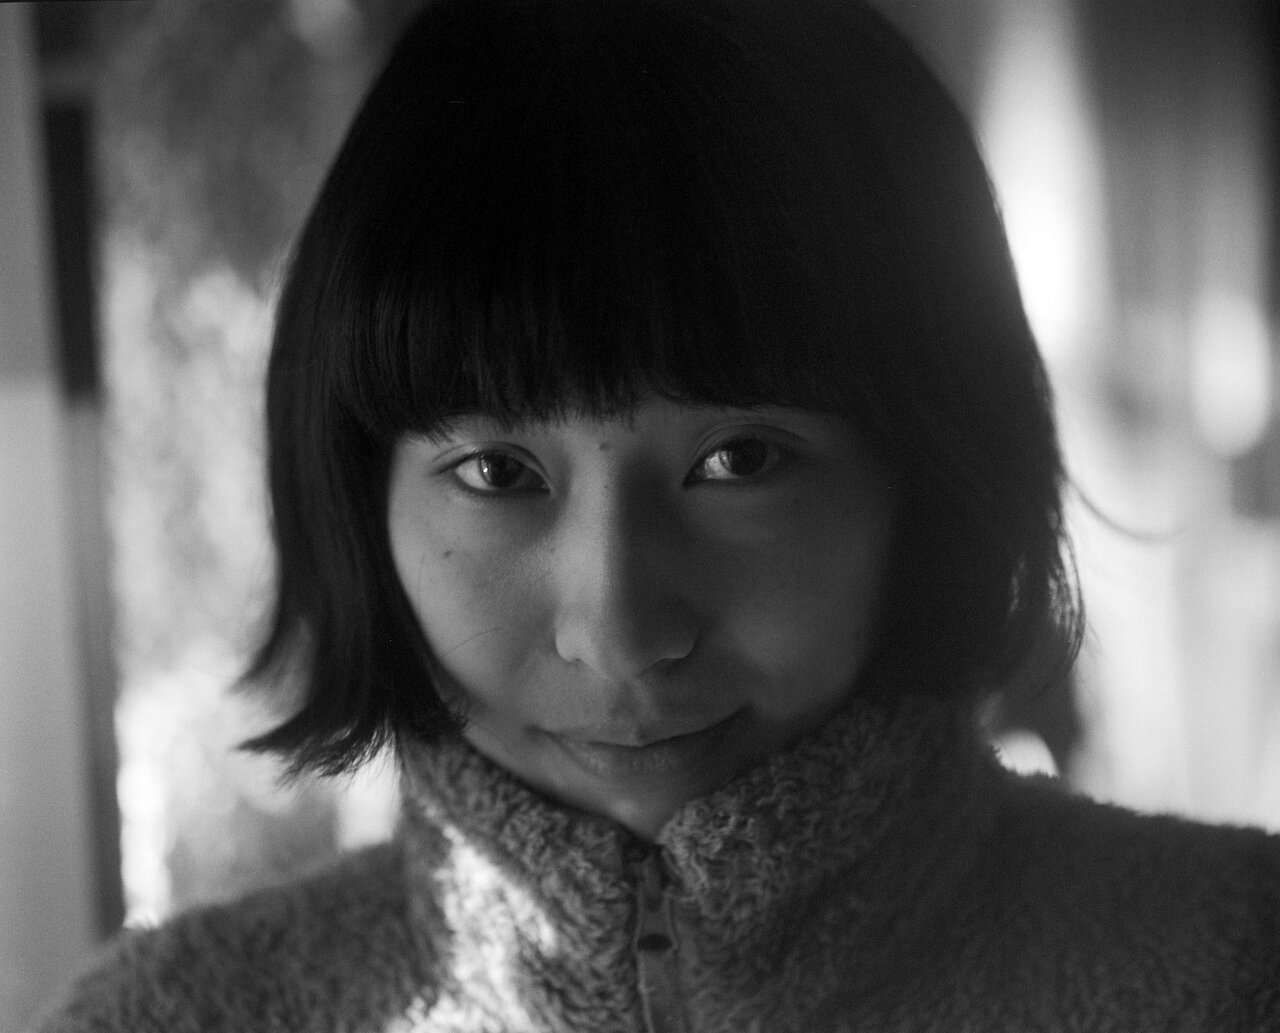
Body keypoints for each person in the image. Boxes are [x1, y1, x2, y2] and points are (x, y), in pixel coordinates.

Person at [34, 0, 1280, 1030]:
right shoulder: (170, 1018)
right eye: (497, 473)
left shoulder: (1234, 969)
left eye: (740, 460)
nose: (622, 629)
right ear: (358, 498)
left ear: (929, 471)